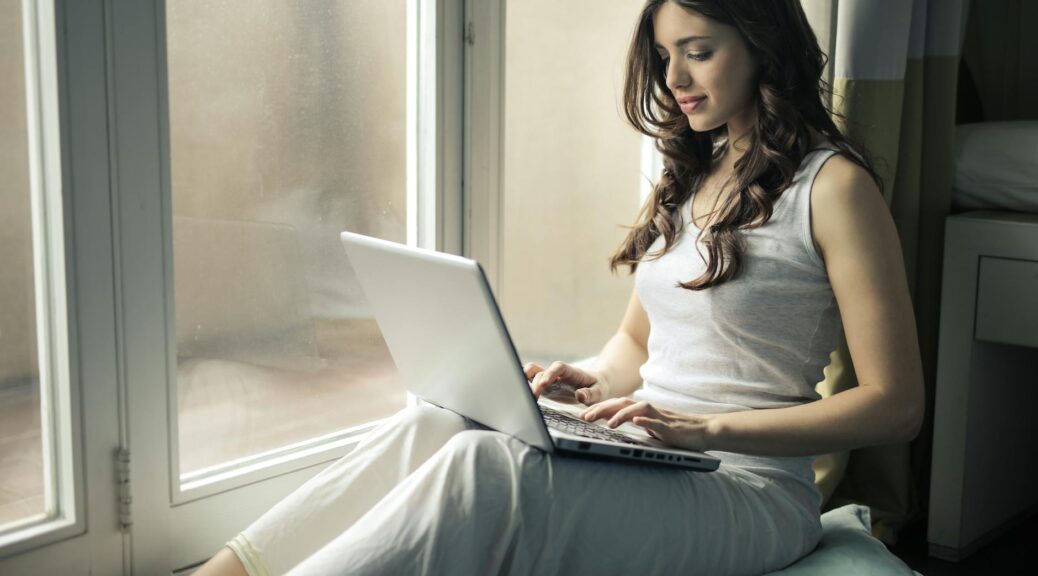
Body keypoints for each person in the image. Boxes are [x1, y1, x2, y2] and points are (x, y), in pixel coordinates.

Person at [197, 1, 924, 574]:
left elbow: (896, 407)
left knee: (485, 470)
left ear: (765, 44)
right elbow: (637, 342)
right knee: (435, 422)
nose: (674, 79)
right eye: (666, 56)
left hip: (752, 490)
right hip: (660, 452)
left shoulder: (835, 189)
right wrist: (588, 380)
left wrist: (706, 428)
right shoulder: (691, 180)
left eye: (698, 52)